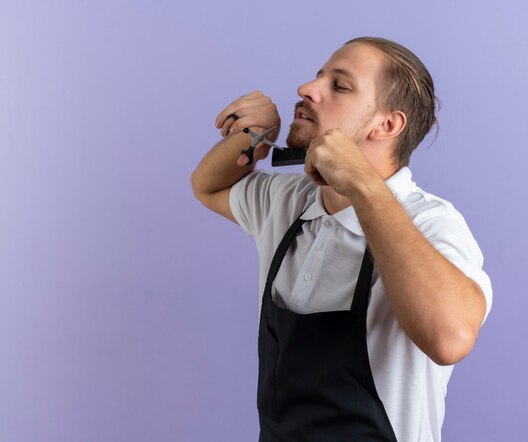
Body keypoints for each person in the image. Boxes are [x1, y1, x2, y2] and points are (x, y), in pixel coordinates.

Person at [191, 36, 493, 442]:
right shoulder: (291, 201)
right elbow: (207, 187)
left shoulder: (431, 222)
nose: (305, 90)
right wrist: (253, 137)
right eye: (318, 77)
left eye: (340, 86)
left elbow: (450, 337)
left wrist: (362, 185)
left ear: (387, 125)